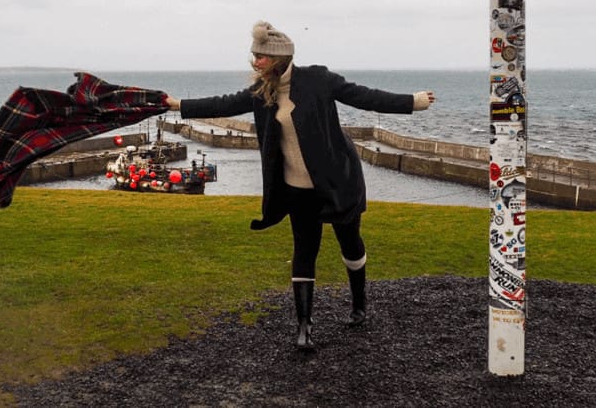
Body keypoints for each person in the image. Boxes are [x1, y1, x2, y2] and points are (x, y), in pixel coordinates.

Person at [164, 21, 436, 351]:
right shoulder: (262, 92)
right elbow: (222, 103)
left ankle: (359, 303)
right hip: (296, 188)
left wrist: (412, 101)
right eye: (253, 56)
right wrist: (179, 105)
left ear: (278, 58)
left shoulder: (318, 80)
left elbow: (364, 96)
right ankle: (304, 327)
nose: (255, 62)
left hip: (338, 182)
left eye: (261, 56)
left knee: (349, 243)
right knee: (304, 251)